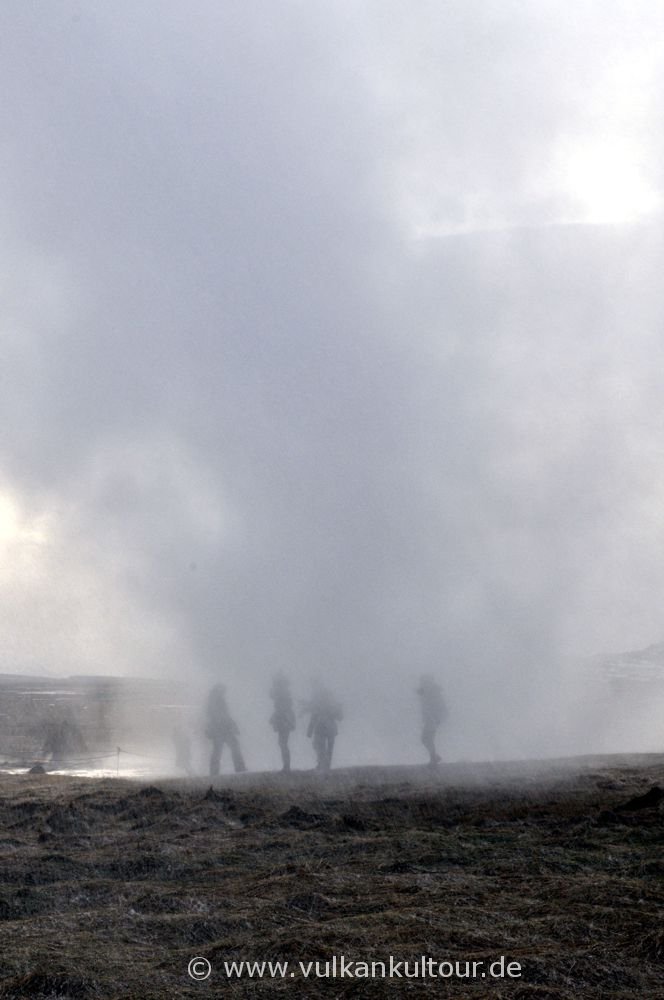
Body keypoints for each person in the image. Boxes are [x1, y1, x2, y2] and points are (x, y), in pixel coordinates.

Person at [204, 684, 246, 777]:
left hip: (220, 729)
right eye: (223, 690)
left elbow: (217, 714)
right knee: (233, 747)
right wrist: (230, 724)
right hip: (223, 729)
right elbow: (222, 715)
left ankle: (214, 771)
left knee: (218, 750)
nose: (224, 692)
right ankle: (240, 768)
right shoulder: (217, 700)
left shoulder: (214, 700)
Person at [305, 681, 342, 773]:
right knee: (326, 747)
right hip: (329, 727)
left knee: (320, 746)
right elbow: (337, 714)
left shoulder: (318, 698)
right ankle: (326, 766)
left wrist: (310, 729)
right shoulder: (328, 697)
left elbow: (314, 714)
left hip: (321, 726)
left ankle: (322, 765)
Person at [417, 674, 447, 766]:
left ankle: (434, 758)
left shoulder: (432, 692)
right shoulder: (428, 692)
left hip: (432, 719)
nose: (421, 683)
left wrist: (435, 718)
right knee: (427, 739)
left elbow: (438, 706)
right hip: (431, 718)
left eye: (423, 681)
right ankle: (434, 757)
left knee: (426, 738)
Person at [269, 673, 295, 773]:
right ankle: (286, 766)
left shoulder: (281, 692)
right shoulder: (284, 692)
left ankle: (286, 766)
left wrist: (276, 716)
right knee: (283, 743)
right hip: (284, 719)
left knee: (282, 743)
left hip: (284, 719)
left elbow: (281, 707)